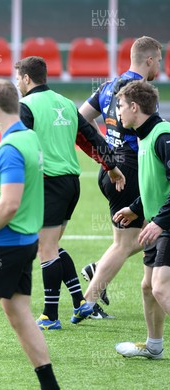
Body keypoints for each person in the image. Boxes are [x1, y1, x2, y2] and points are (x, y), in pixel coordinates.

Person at [0, 79, 59, 390]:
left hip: (2, 244)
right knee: (17, 312)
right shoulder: (30, 138)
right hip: (24, 241)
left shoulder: (10, 147)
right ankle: (50, 385)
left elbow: (10, 203)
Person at [15, 56, 126, 329]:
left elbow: (20, 147)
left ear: (27, 78)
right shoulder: (64, 103)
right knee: (53, 245)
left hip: (47, 183)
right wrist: (110, 165)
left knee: (46, 248)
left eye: (18, 78)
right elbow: (90, 138)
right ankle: (79, 303)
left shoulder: (25, 106)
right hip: (70, 184)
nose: (16, 83)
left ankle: (50, 316)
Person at [78, 36, 162, 315]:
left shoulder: (108, 85)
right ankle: (88, 301)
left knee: (147, 233)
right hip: (129, 170)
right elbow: (147, 134)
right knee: (127, 243)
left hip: (110, 168)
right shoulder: (140, 92)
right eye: (159, 60)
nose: (160, 65)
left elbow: (82, 118)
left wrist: (104, 148)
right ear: (149, 59)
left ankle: (96, 273)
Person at [113, 81, 169, 359]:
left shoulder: (163, 135)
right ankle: (154, 346)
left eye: (121, 106)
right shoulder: (145, 137)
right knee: (148, 287)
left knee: (161, 287)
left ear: (134, 107)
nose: (118, 112)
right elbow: (156, 184)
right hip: (158, 222)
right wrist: (136, 208)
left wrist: (159, 221)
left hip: (166, 224)